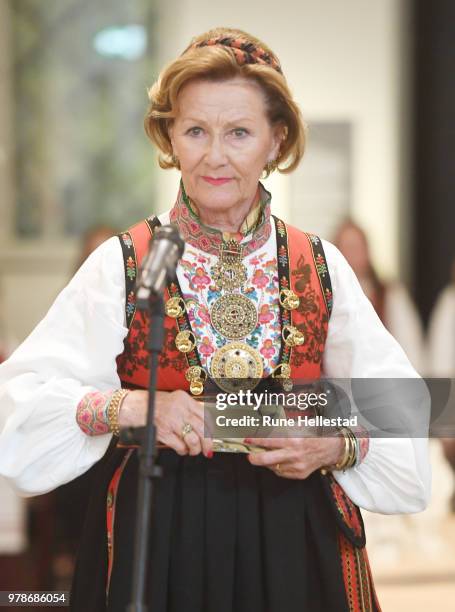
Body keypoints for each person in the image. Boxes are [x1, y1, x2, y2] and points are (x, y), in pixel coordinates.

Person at [0, 28, 430, 612]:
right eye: (196, 130)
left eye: (239, 133)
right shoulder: (126, 261)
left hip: (294, 531)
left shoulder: (318, 263)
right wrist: (132, 406)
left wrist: (334, 445)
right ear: (170, 135)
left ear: (276, 141)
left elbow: (406, 406)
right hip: (162, 531)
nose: (215, 155)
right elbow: (19, 399)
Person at [333, 219, 426, 374]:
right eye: (347, 248)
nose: (352, 254)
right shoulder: (328, 297)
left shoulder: (390, 295)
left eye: (357, 247)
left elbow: (411, 347)